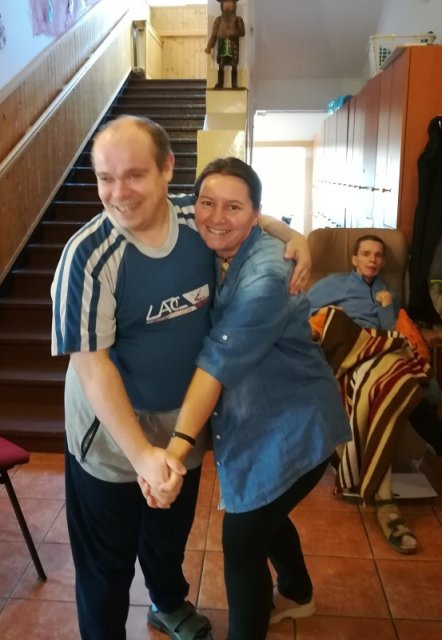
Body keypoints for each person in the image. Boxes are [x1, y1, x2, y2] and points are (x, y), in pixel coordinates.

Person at [50, 116, 312, 640]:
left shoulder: (198, 221)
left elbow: (248, 220)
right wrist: (142, 456)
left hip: (182, 428)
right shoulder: (87, 256)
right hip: (109, 439)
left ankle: (167, 603)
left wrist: (296, 235)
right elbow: (91, 365)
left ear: (168, 169)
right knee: (106, 566)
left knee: (168, 537)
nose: (119, 193)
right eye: (105, 178)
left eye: (135, 175)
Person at [141, 157, 351, 640]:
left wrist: (177, 447)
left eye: (234, 207)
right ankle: (297, 591)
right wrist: (290, 231)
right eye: (207, 203)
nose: (216, 217)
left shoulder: (268, 276)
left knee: (242, 544)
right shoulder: (218, 235)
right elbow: (179, 209)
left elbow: (218, 362)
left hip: (296, 426)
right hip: (255, 422)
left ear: (254, 213)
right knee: (263, 515)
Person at [307, 234, 442, 554]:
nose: (373, 260)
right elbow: (305, 314)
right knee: (394, 383)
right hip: (350, 353)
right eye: (366, 254)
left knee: (391, 386)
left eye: (378, 255)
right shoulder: (332, 284)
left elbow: (393, 334)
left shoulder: (389, 293)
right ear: (354, 259)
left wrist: (385, 306)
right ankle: (385, 503)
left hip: (383, 354)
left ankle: (384, 498)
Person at [205, 0, 245, 89]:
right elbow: (214, 34)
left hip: (233, 46)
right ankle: (220, 83)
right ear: (222, 5)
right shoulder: (218, 20)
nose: (227, 5)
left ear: (234, 5)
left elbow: (242, 32)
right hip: (222, 45)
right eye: (225, 3)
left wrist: (233, 33)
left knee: (234, 65)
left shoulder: (238, 19)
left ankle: (234, 84)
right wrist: (209, 46)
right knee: (221, 64)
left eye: (229, 2)